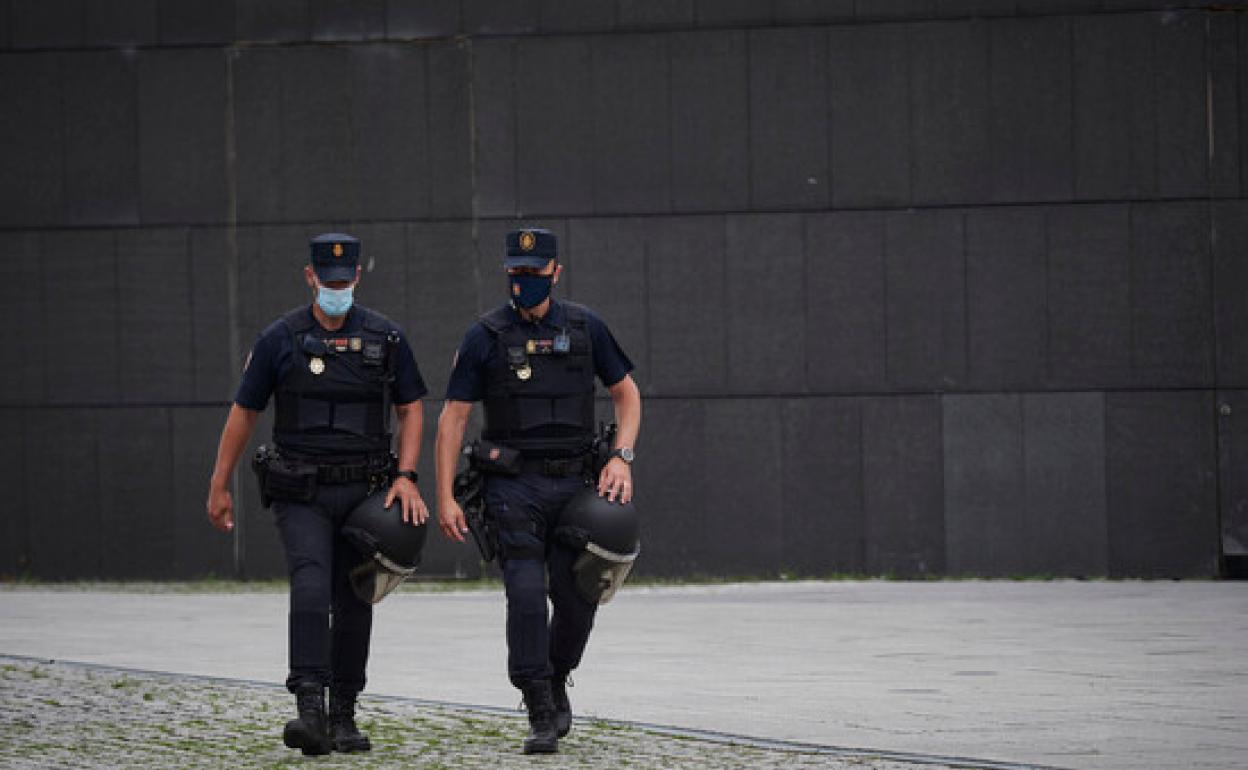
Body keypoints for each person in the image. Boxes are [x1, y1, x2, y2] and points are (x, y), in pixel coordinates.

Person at [205, 233, 429, 756]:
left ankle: (344, 714)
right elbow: (245, 412)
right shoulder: (280, 338)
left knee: (355, 597)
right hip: (301, 491)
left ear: (357, 278)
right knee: (309, 585)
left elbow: (411, 406)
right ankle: (310, 708)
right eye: (327, 282)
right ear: (310, 278)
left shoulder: (385, 338)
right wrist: (219, 482)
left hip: (365, 490)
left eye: (344, 281)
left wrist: (407, 475)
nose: (336, 290)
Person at [434, 227, 642, 754]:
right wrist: (444, 496)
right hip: (513, 485)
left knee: (578, 597)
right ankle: (538, 707)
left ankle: (557, 675)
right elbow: (453, 418)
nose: (522, 282)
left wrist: (621, 456)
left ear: (555, 272)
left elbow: (627, 395)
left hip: (577, 483)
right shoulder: (484, 334)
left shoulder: (586, 326)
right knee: (526, 595)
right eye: (515, 273)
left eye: (533, 273)